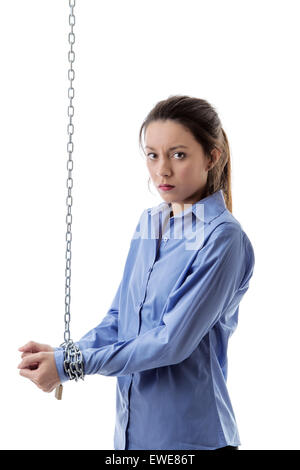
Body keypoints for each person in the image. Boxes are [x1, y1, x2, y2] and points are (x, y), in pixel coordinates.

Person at [18, 95, 255, 451]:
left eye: (178, 154)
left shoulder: (223, 238)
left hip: (193, 440)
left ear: (212, 156)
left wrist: (72, 365)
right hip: (132, 437)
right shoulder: (151, 223)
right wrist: (64, 354)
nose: (162, 170)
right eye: (152, 154)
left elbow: (171, 342)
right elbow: (120, 320)